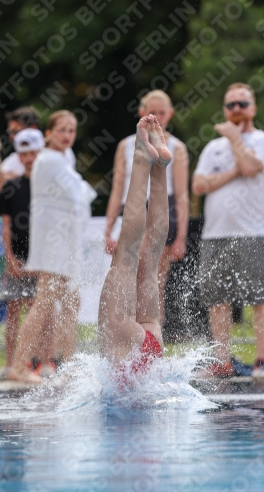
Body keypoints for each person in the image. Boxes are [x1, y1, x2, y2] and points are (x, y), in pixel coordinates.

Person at [192, 82, 264, 378]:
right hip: (214, 234)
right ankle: (222, 361)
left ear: (253, 108)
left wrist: (235, 140)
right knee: (217, 300)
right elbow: (199, 185)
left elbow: (253, 167)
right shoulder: (212, 147)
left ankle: (262, 362)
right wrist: (232, 171)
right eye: (231, 105)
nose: (236, 109)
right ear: (224, 110)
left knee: (259, 298)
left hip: (251, 233)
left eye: (242, 103)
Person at [10, 110, 96, 382]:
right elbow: (79, 193)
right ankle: (19, 367)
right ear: (48, 133)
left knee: (71, 302)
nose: (67, 135)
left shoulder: (63, 158)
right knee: (45, 302)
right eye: (62, 129)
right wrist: (82, 190)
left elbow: (78, 195)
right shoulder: (48, 160)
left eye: (71, 130)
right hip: (53, 243)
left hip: (66, 240)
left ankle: (69, 368)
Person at [104, 90, 189, 323]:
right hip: (133, 207)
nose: (158, 117)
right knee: (126, 275)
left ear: (170, 114)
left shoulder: (177, 147)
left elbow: (182, 194)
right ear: (142, 113)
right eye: (154, 112)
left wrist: (181, 235)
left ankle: (152, 336)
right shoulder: (124, 146)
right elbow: (117, 188)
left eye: (163, 113)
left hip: (163, 208)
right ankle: (129, 333)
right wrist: (108, 227)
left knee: (153, 279)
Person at [98, 115, 171, 370]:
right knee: (128, 256)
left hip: (153, 340)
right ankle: (149, 164)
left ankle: (156, 166)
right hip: (133, 346)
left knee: (149, 256)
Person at [0, 129, 56, 381]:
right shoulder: (10, 188)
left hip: (41, 261)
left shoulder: (49, 188)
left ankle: (45, 362)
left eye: (33, 152)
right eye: (24, 153)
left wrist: (42, 261)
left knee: (44, 312)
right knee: (14, 311)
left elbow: (52, 228)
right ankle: (12, 364)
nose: (28, 158)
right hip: (17, 261)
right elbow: (6, 226)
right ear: (19, 155)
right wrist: (10, 259)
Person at [0, 107, 76, 191]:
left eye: (16, 131)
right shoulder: (14, 160)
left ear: (33, 128)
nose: (11, 137)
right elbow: (2, 187)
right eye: (10, 132)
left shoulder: (64, 153)